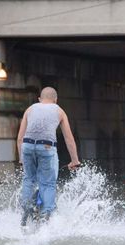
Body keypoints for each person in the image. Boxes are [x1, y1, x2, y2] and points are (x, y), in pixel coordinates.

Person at [17, 87, 80, 227]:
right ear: (56, 100)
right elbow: (69, 139)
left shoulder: (30, 109)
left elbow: (20, 138)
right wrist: (74, 160)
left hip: (27, 146)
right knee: (48, 183)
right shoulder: (59, 110)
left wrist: (21, 158)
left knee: (28, 179)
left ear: (39, 99)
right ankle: (46, 215)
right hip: (46, 147)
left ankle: (26, 210)